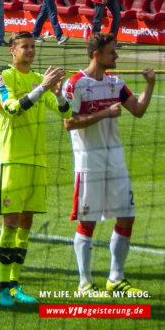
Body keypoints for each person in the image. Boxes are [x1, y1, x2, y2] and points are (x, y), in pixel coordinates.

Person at [63, 33, 155, 294]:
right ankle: (85, 283)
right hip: (89, 163)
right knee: (88, 221)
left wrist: (149, 85)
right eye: (112, 52)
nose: (116, 56)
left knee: (127, 217)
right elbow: (68, 122)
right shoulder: (75, 84)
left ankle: (116, 278)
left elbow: (137, 110)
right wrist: (105, 112)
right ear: (96, 55)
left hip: (116, 163)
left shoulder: (116, 83)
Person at [0, 30, 71, 307]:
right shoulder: (3, 77)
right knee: (10, 223)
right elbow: (12, 108)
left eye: (33, 46)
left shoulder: (39, 80)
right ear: (12, 50)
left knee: (26, 223)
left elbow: (65, 112)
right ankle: (3, 289)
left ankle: (15, 284)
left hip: (38, 161)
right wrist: (42, 89)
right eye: (24, 46)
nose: (30, 50)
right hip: (12, 159)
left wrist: (58, 95)